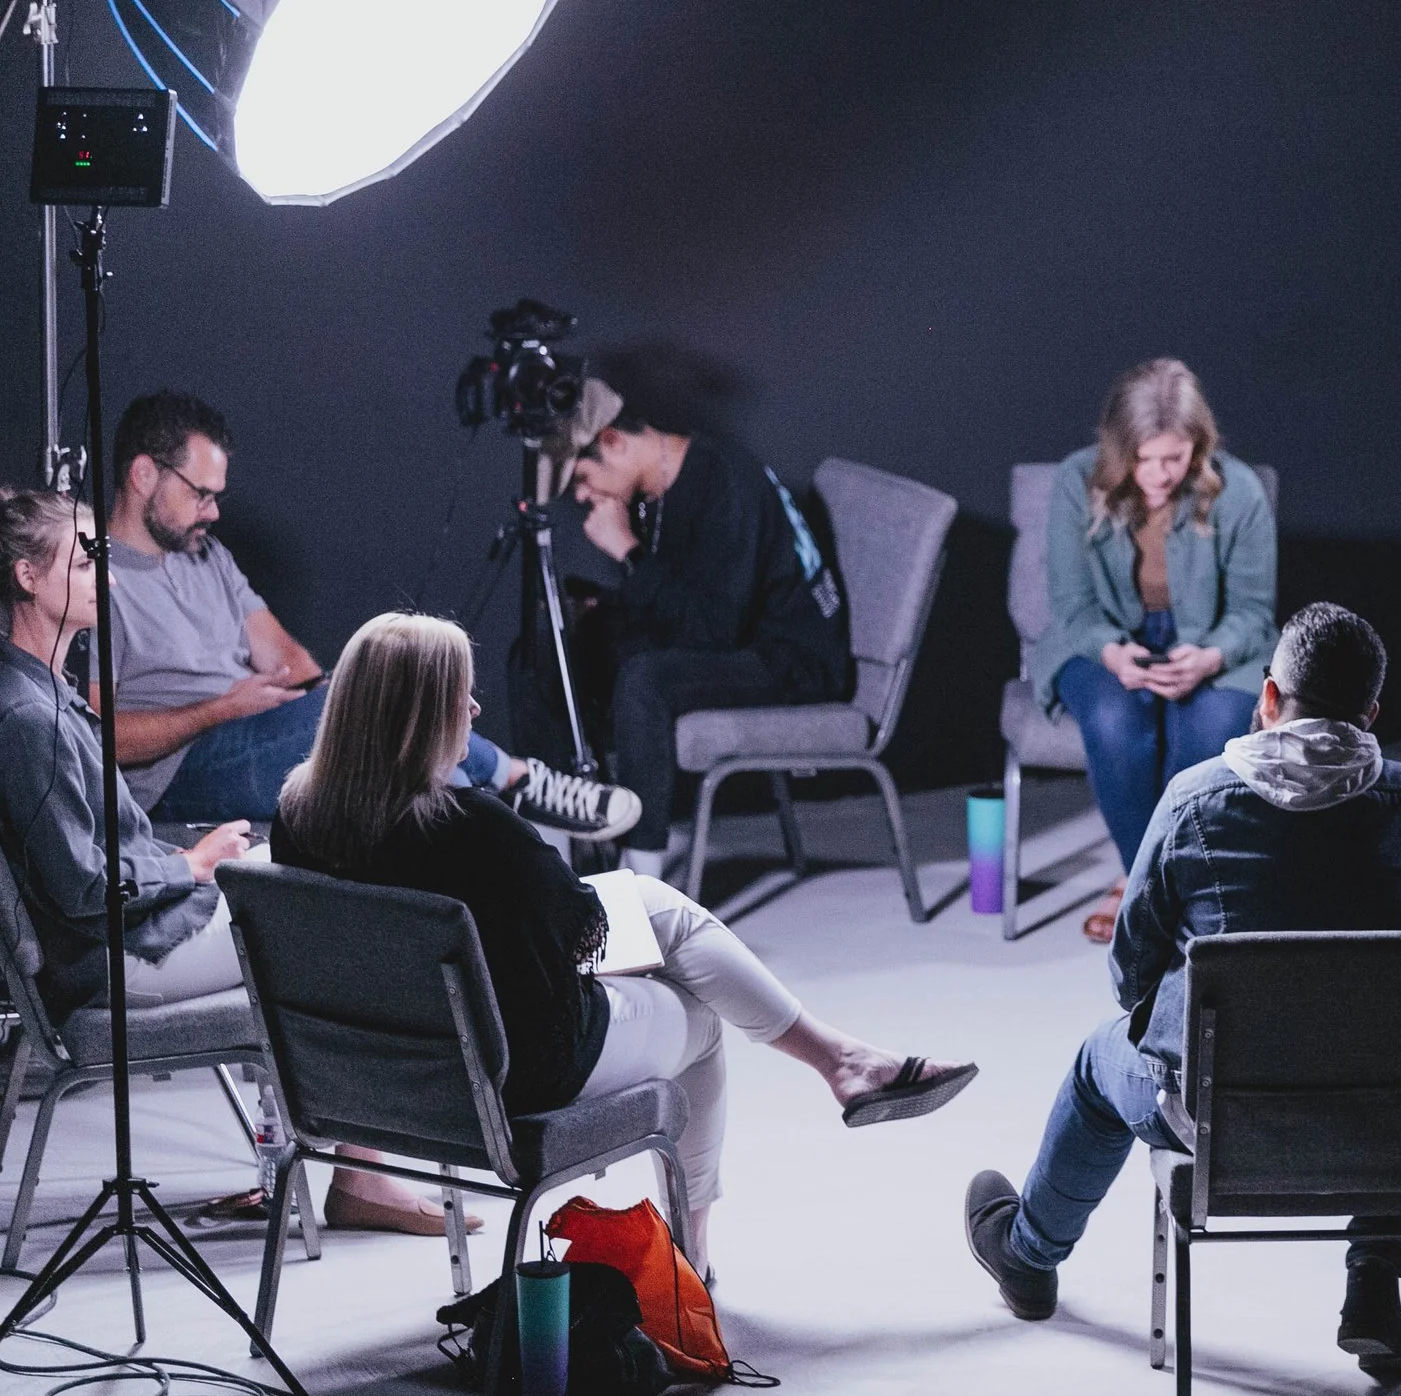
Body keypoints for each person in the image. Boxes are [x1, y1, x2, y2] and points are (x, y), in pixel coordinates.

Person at [270, 612, 971, 1276]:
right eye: (461, 696)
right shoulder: (473, 827)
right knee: (699, 1016)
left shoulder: (298, 818)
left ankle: (843, 1059)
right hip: (515, 1072)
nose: (476, 712)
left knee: (658, 906)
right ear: (422, 717)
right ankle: (693, 1252)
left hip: (374, 1082)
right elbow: (580, 931)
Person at [964, 604, 1401, 1376]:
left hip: (1224, 1124)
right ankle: (1374, 1281)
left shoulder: (1198, 799)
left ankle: (1029, 1256)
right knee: (1398, 1045)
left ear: (1269, 698)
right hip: (1388, 1131)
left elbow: (1130, 971)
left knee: (1100, 1063)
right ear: (1370, 715)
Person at [0, 488, 464, 1236]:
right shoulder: (23, 714)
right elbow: (85, 886)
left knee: (323, 871)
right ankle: (358, 1173)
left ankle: (345, 1167)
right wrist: (191, 865)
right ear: (26, 575)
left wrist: (197, 865)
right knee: (345, 915)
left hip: (137, 928)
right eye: (87, 556)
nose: (107, 574)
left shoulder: (44, 692)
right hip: (111, 957)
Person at [100, 391, 633, 839]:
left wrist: (345, 696)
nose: (214, 512)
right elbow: (104, 738)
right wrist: (221, 709)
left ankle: (497, 819)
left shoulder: (206, 554)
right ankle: (517, 782)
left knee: (382, 691)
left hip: (251, 730)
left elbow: (283, 654)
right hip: (176, 774)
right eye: (201, 495)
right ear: (145, 474)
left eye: (218, 496)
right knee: (369, 699)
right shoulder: (90, 578)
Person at [558, 378, 856, 876]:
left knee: (645, 680)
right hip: (737, 638)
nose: (586, 497)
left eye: (583, 480)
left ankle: (642, 872)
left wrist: (628, 551)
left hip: (793, 657)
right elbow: (691, 601)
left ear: (612, 441)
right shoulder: (664, 486)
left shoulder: (725, 483)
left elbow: (713, 630)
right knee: (550, 652)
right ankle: (555, 851)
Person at [1029, 359, 1277, 943]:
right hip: (1102, 640)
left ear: (1199, 445)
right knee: (1117, 722)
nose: (1161, 475)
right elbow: (1071, 604)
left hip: (1213, 642)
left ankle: (1151, 891)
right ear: (1120, 449)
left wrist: (1212, 657)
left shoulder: (1236, 489)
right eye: (1145, 458)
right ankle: (1144, 883)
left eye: (1176, 457)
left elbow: (1252, 609)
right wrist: (1111, 653)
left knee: (1206, 737)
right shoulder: (1077, 479)